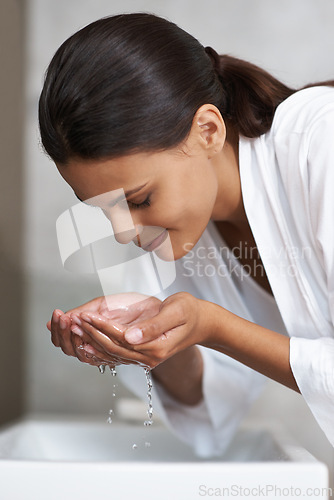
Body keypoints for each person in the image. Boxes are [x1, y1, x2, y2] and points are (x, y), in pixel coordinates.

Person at [40, 13, 334, 456]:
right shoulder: (175, 234)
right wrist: (151, 339)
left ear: (208, 131)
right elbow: (211, 408)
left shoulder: (319, 144)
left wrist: (213, 327)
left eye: (137, 200)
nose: (124, 234)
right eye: (106, 211)